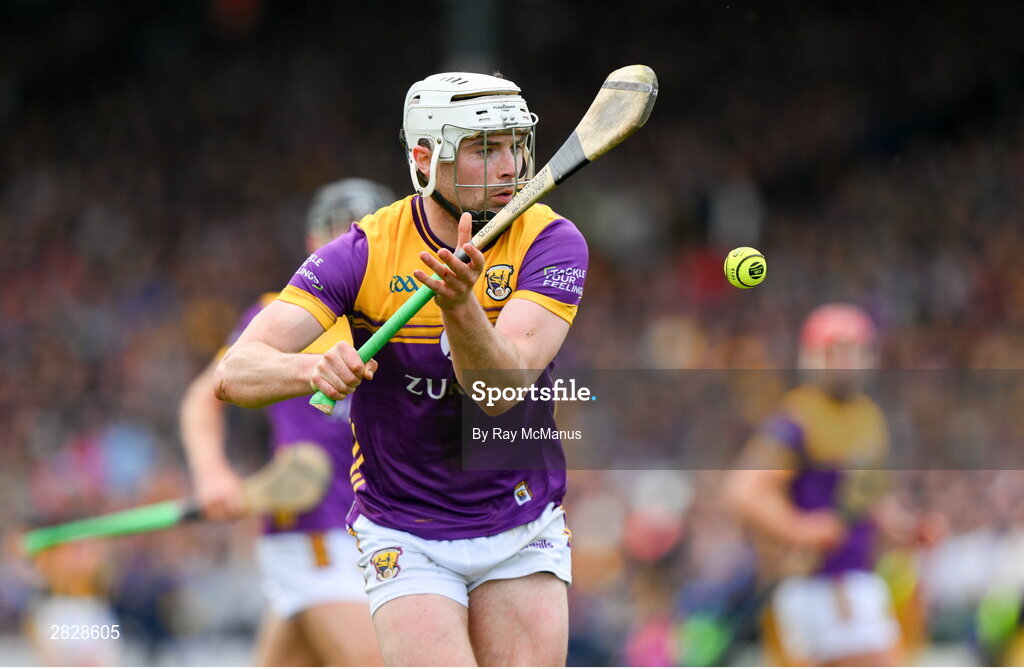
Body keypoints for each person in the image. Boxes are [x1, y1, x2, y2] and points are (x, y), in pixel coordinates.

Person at [215, 71, 588, 666]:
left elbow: (501, 389)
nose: (510, 166)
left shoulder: (551, 242)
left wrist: (461, 308)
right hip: (406, 532)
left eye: (515, 144)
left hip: (522, 522)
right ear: (424, 156)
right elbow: (235, 373)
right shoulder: (363, 252)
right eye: (484, 149)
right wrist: (314, 369)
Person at [180, 178, 394, 667]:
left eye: (360, 234)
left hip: (382, 531)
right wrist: (213, 472)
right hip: (317, 531)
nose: (347, 244)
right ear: (311, 247)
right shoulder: (286, 316)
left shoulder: (407, 318)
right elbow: (204, 394)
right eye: (334, 234)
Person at [724, 303, 943, 666]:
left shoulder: (869, 419)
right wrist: (800, 528)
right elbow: (744, 492)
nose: (845, 363)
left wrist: (909, 531)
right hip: (816, 585)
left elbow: (871, 501)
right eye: (834, 352)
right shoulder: (796, 420)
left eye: (853, 352)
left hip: (857, 578)